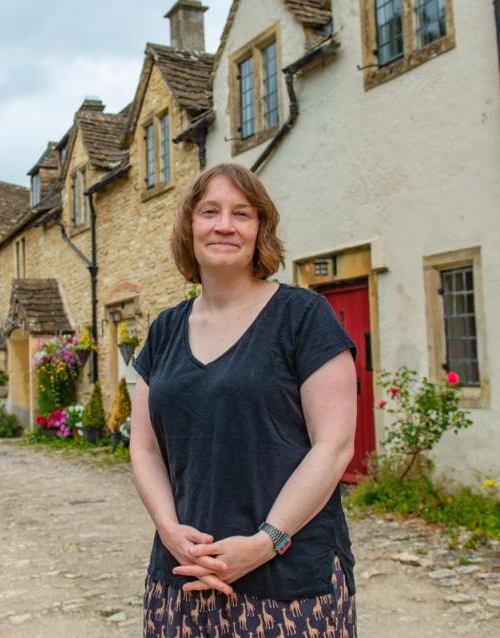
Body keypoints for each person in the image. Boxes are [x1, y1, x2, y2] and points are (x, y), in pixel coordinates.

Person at [130, 163, 358, 637]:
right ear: (189, 227)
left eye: (243, 214)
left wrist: (265, 541)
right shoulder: (165, 331)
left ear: (261, 230)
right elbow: (145, 447)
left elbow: (333, 446)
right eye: (210, 211)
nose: (225, 225)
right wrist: (170, 531)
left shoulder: (303, 317)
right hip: (185, 576)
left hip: (290, 581)